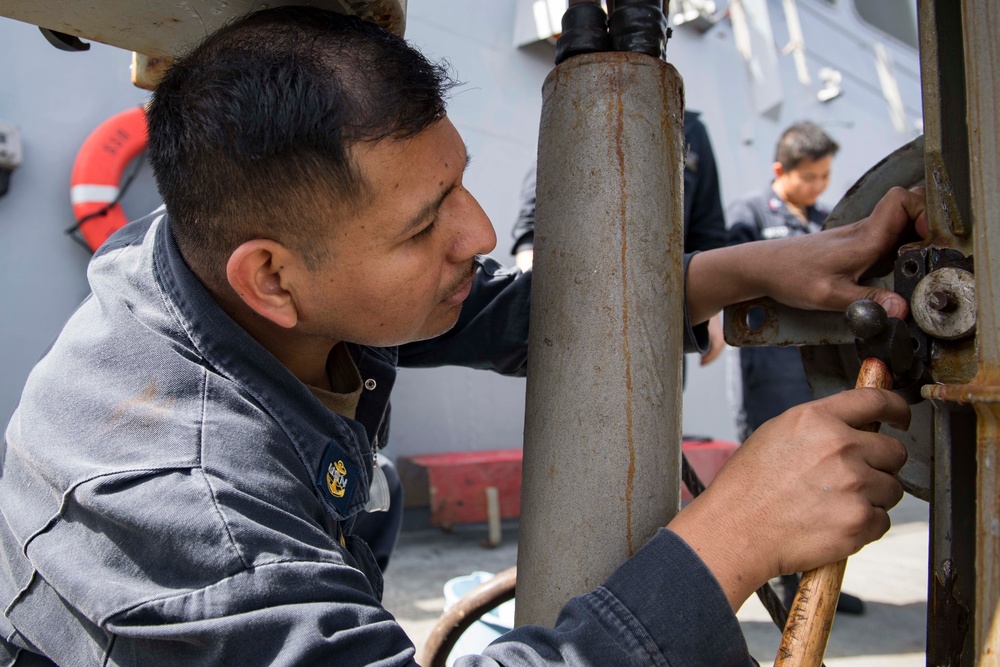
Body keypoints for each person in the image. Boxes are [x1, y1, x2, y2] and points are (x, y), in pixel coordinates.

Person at [0, 8, 923, 665]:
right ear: (271, 276)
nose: (478, 232)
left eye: (460, 182)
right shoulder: (186, 514)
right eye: (423, 223)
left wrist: (755, 268)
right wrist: (733, 536)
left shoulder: (212, 268)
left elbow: (502, 308)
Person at [725, 121, 864, 614]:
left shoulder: (830, 223)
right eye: (809, 177)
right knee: (780, 473)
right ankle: (785, 592)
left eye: (825, 177)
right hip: (771, 371)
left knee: (833, 471)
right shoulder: (748, 216)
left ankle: (822, 583)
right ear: (779, 170)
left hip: (824, 371)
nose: (818, 186)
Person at [511, 110, 729, 364]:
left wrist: (711, 312)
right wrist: (536, 300)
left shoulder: (689, 127)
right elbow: (533, 223)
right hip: (575, 312)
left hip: (662, 318)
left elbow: (706, 232)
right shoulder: (576, 106)